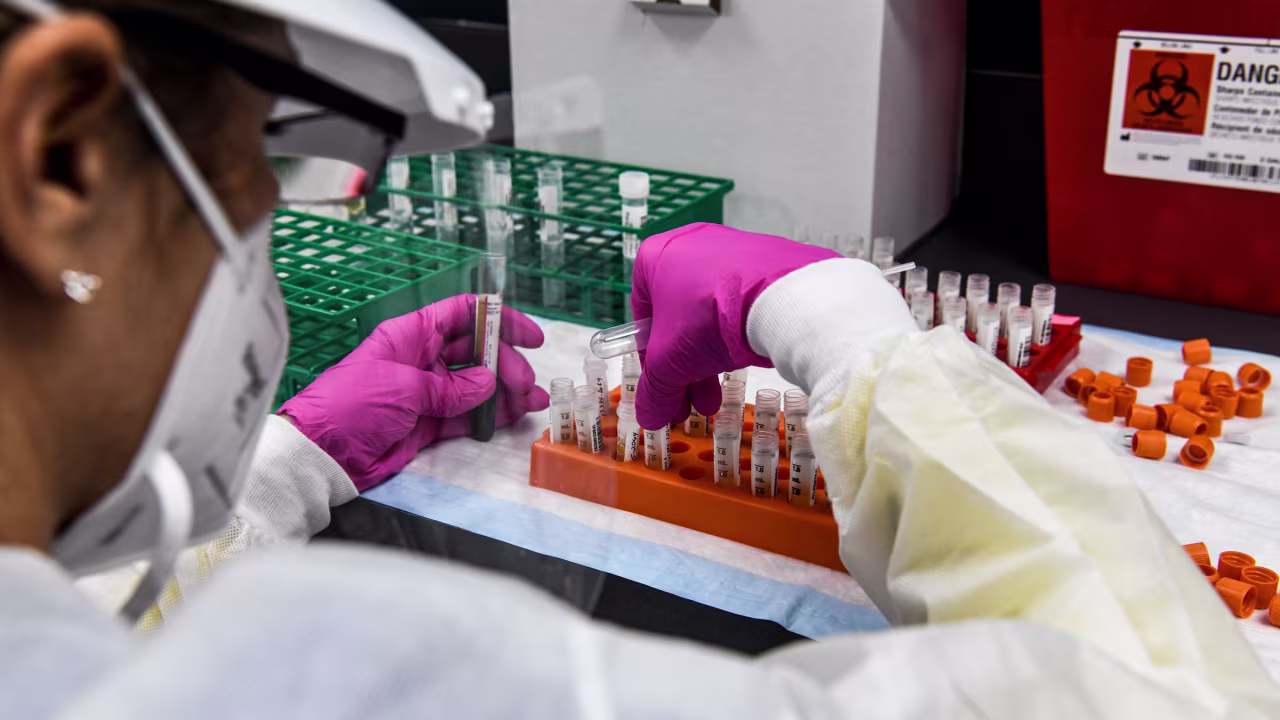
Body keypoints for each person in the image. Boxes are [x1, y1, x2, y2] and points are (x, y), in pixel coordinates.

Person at [0, 1, 1275, 718]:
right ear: (63, 152)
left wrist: (286, 468)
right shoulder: (373, 677)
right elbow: (1144, 696)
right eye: (254, 164)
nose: (266, 227)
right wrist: (850, 334)